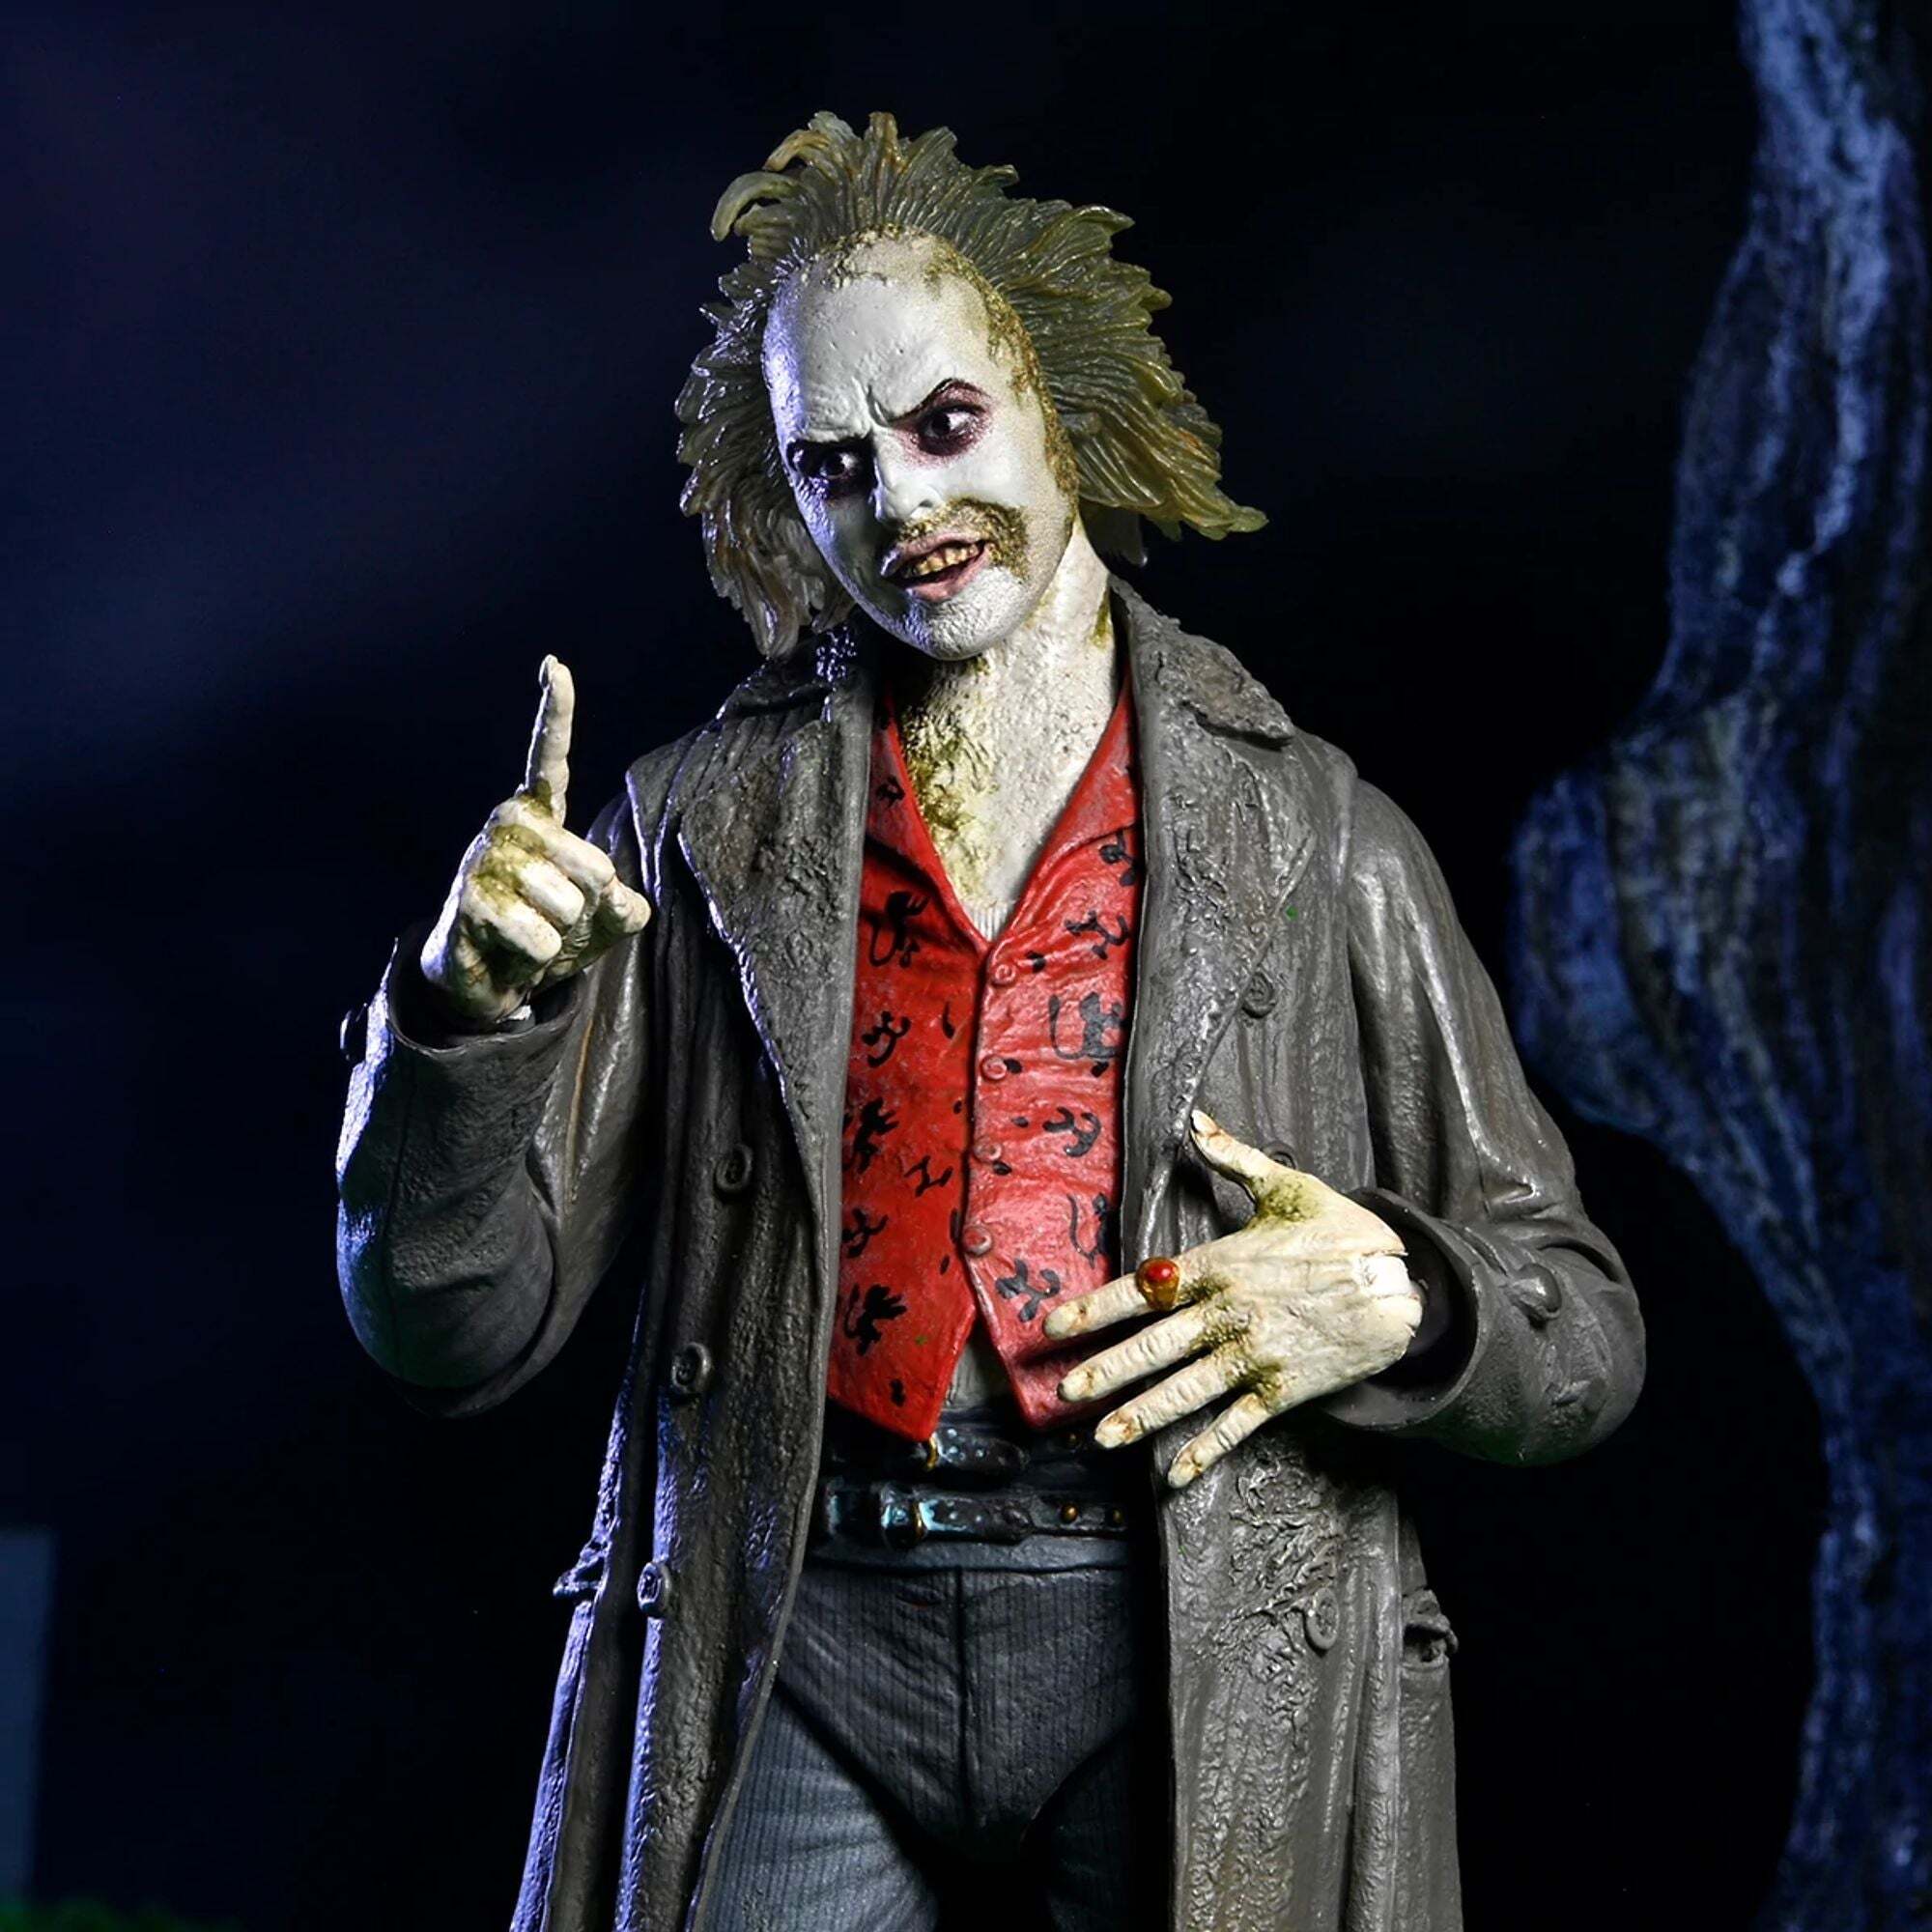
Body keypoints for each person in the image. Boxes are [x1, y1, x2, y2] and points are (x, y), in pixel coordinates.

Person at [334, 110, 1644, 1931]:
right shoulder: (688, 829)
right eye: (836, 463)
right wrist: (468, 1021)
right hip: (793, 1622)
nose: (902, 505)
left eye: (946, 423)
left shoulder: (1318, 833)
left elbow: (1580, 1328)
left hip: (1190, 1615)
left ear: (1060, 404)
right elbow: (447, 1325)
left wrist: (1402, 1297)